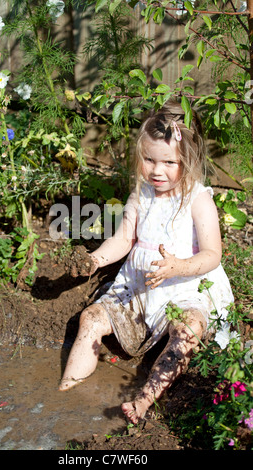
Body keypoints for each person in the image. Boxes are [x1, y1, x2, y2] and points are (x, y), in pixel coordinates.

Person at [58, 100, 234, 424]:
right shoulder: (142, 193)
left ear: (189, 159)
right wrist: (94, 259)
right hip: (138, 288)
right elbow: (125, 238)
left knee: (188, 329)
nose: (156, 170)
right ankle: (66, 388)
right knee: (91, 318)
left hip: (184, 288)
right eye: (149, 159)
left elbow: (212, 253)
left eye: (169, 162)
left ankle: (144, 400)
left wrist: (179, 266)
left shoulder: (199, 198)